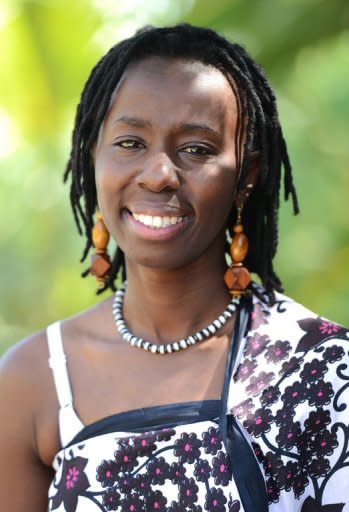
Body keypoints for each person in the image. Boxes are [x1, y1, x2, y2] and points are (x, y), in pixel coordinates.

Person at [0, 23, 348, 512]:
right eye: (130, 143)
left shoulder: (323, 368)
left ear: (245, 176)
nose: (160, 175)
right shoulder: (32, 381)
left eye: (196, 150)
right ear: (91, 156)